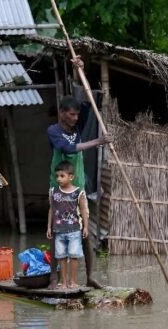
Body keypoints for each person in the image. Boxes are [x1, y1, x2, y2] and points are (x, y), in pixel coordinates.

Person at [46, 91, 113, 289]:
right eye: (71, 115)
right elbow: (67, 149)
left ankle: (90, 277)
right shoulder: (54, 131)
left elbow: (88, 102)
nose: (75, 118)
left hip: (79, 187)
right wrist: (97, 142)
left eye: (76, 115)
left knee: (85, 232)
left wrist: (80, 67)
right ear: (61, 113)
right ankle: (53, 278)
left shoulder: (78, 128)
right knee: (58, 231)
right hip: (59, 188)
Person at [46, 161, 89, 289]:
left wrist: (85, 226)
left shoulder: (78, 192)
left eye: (62, 176)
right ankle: (64, 282)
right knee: (61, 257)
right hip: (58, 231)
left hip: (74, 230)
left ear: (71, 177)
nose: (59, 179)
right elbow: (51, 210)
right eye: (57, 176)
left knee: (74, 256)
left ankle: (73, 282)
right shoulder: (54, 191)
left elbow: (83, 210)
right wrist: (49, 227)